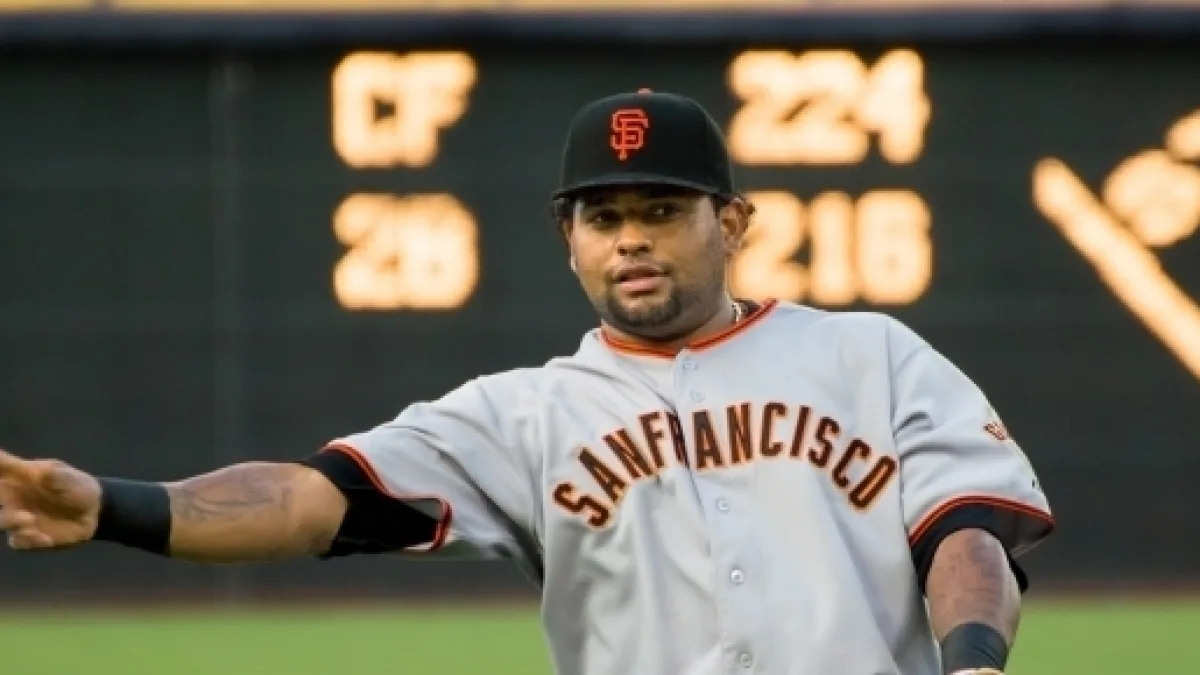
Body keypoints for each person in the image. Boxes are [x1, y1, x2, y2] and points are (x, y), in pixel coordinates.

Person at [0, 89, 1053, 675]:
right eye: (604, 217)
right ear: (569, 240)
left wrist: (972, 664)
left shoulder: (868, 355)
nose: (630, 239)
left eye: (662, 211)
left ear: (733, 223)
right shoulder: (520, 416)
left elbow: (967, 531)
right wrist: (112, 507)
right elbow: (311, 499)